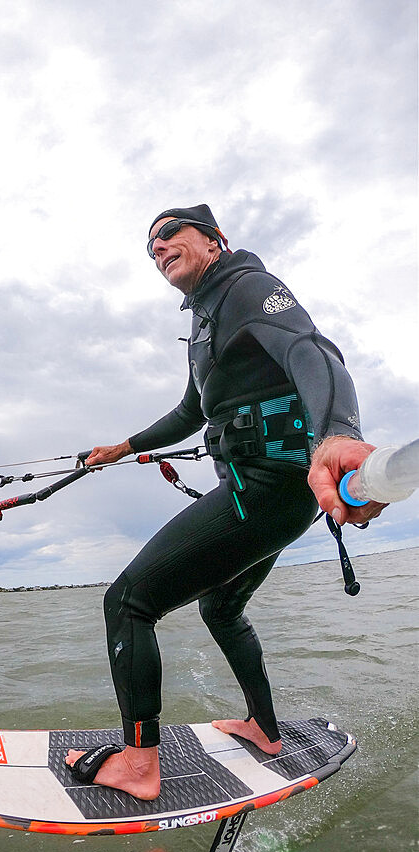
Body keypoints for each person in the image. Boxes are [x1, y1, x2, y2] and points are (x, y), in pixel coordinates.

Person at [65, 204, 385, 801]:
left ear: (214, 241)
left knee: (129, 601)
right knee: (221, 608)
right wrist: (122, 447)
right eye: (150, 247)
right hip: (277, 501)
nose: (158, 248)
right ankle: (264, 729)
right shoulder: (205, 325)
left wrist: (336, 431)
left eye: (168, 234)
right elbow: (191, 414)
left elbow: (313, 352)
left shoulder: (246, 287)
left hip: (265, 491)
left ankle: (139, 765)